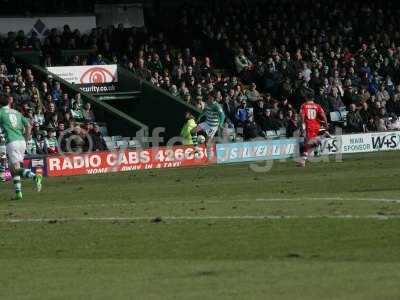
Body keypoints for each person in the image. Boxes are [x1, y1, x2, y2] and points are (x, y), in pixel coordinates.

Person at [0, 95, 42, 200]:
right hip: (21, 141)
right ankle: (18, 193)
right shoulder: (17, 112)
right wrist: (26, 139)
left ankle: (36, 177)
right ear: (8, 103)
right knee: (13, 168)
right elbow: (28, 125)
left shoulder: (1, 112)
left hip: (11, 142)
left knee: (15, 169)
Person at [297, 90, 329, 167]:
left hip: (309, 126)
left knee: (308, 144)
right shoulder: (317, 106)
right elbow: (323, 115)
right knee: (308, 144)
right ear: (313, 98)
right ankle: (303, 159)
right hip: (316, 126)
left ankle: (302, 162)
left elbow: (302, 117)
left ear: (306, 97)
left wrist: (302, 127)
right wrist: (326, 124)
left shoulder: (304, 105)